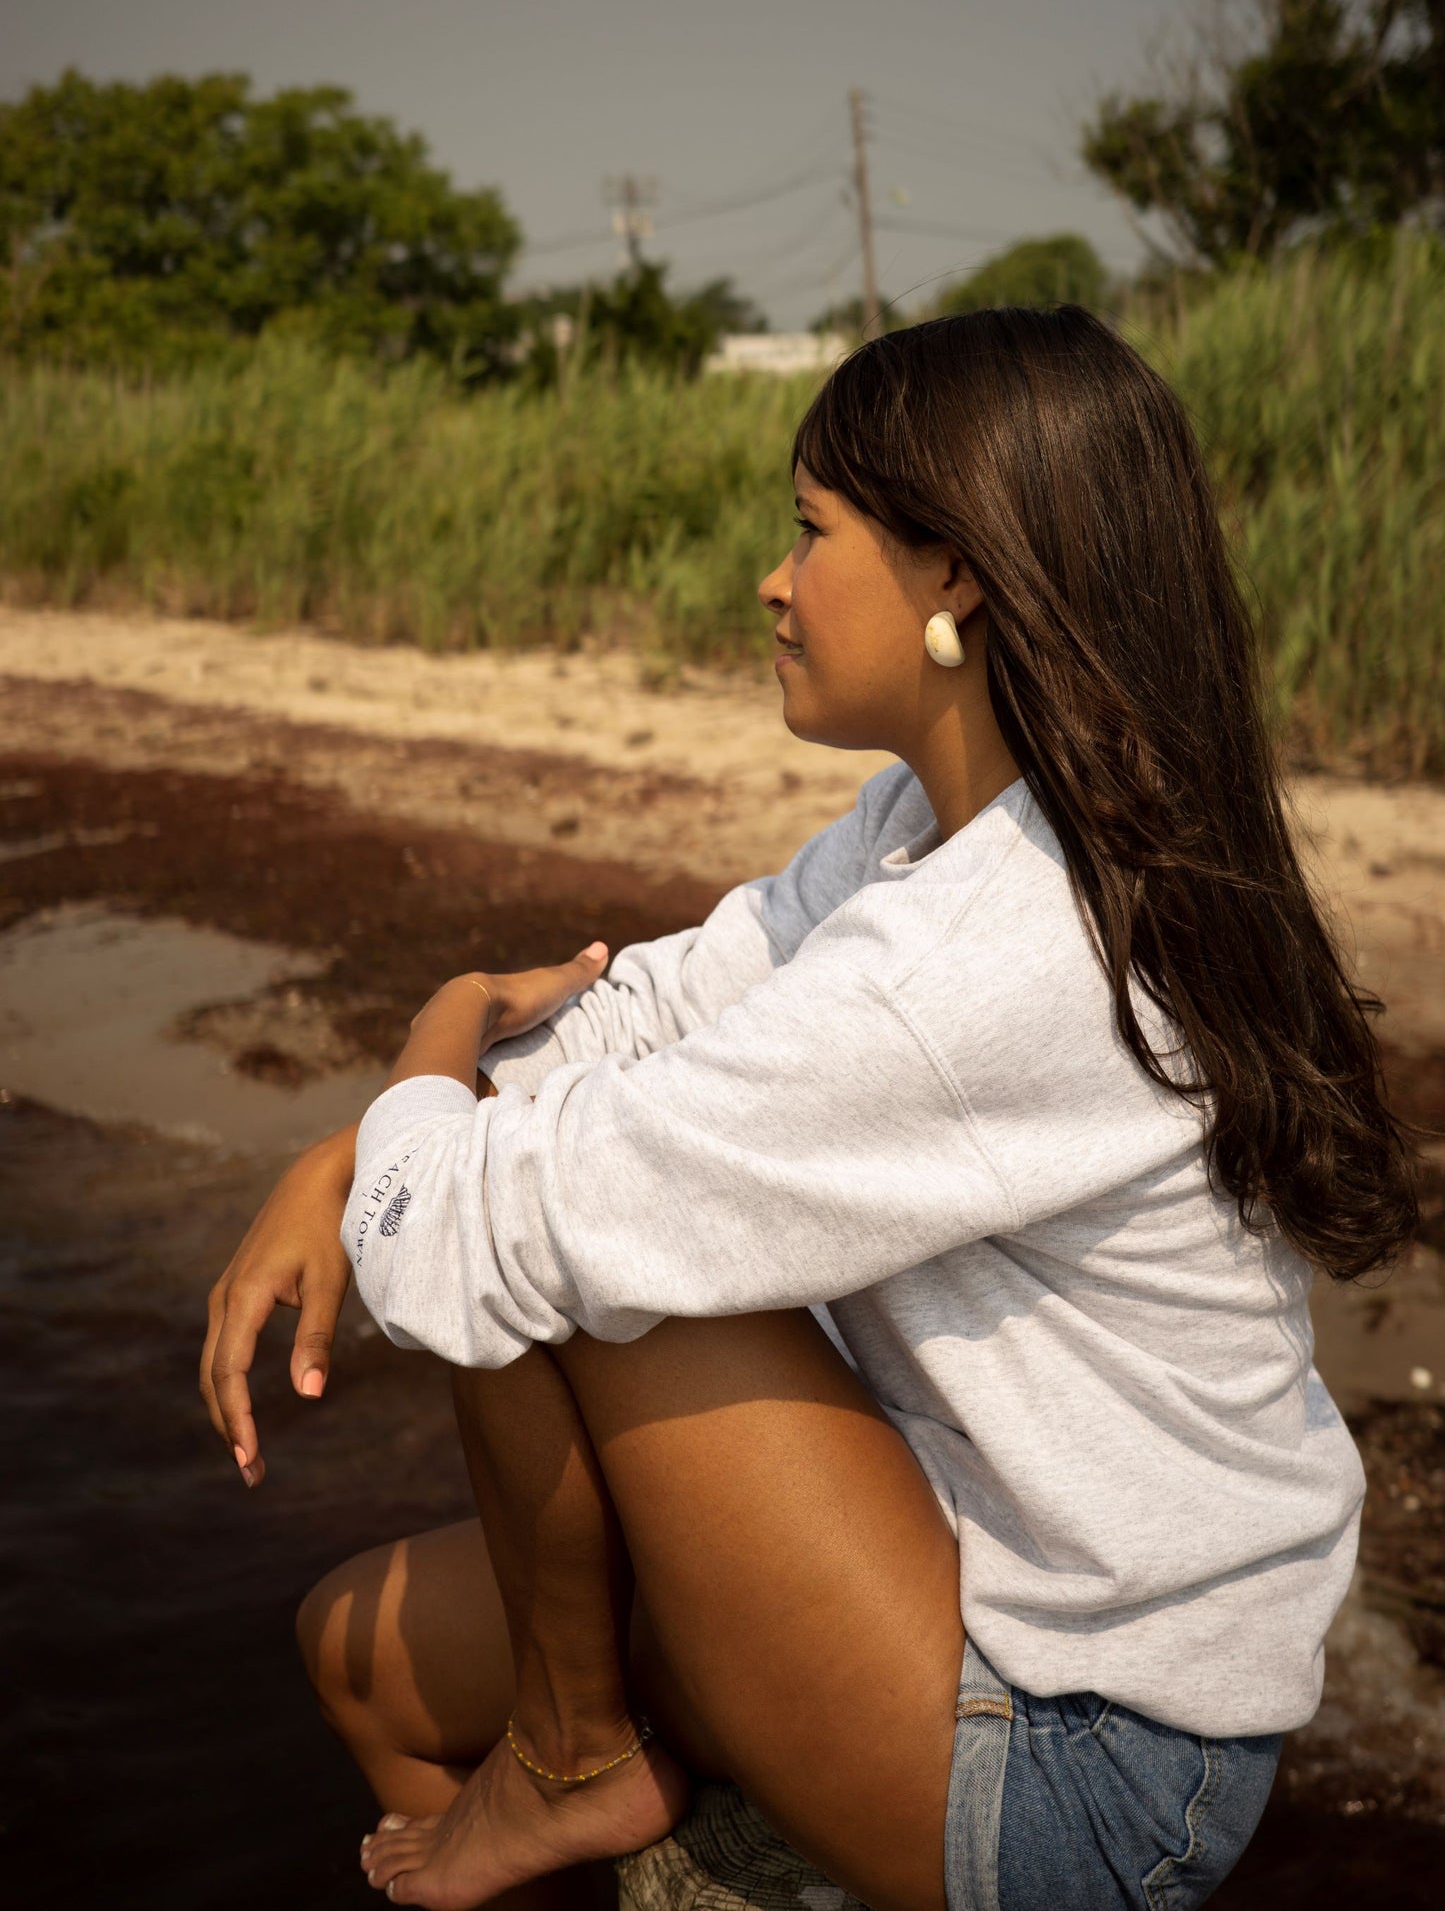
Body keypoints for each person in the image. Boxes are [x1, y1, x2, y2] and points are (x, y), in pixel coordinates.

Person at [200, 309, 1416, 1911]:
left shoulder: (989, 959)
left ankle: (578, 1757)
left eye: (808, 532)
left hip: (1084, 1756)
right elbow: (653, 1003)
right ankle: (579, 1754)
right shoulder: (941, 825)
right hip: (960, 1543)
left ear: (955, 576)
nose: (772, 583)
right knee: (355, 1655)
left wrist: (431, 1047)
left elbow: (483, 1244)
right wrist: (352, 1147)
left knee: (585, 1257)